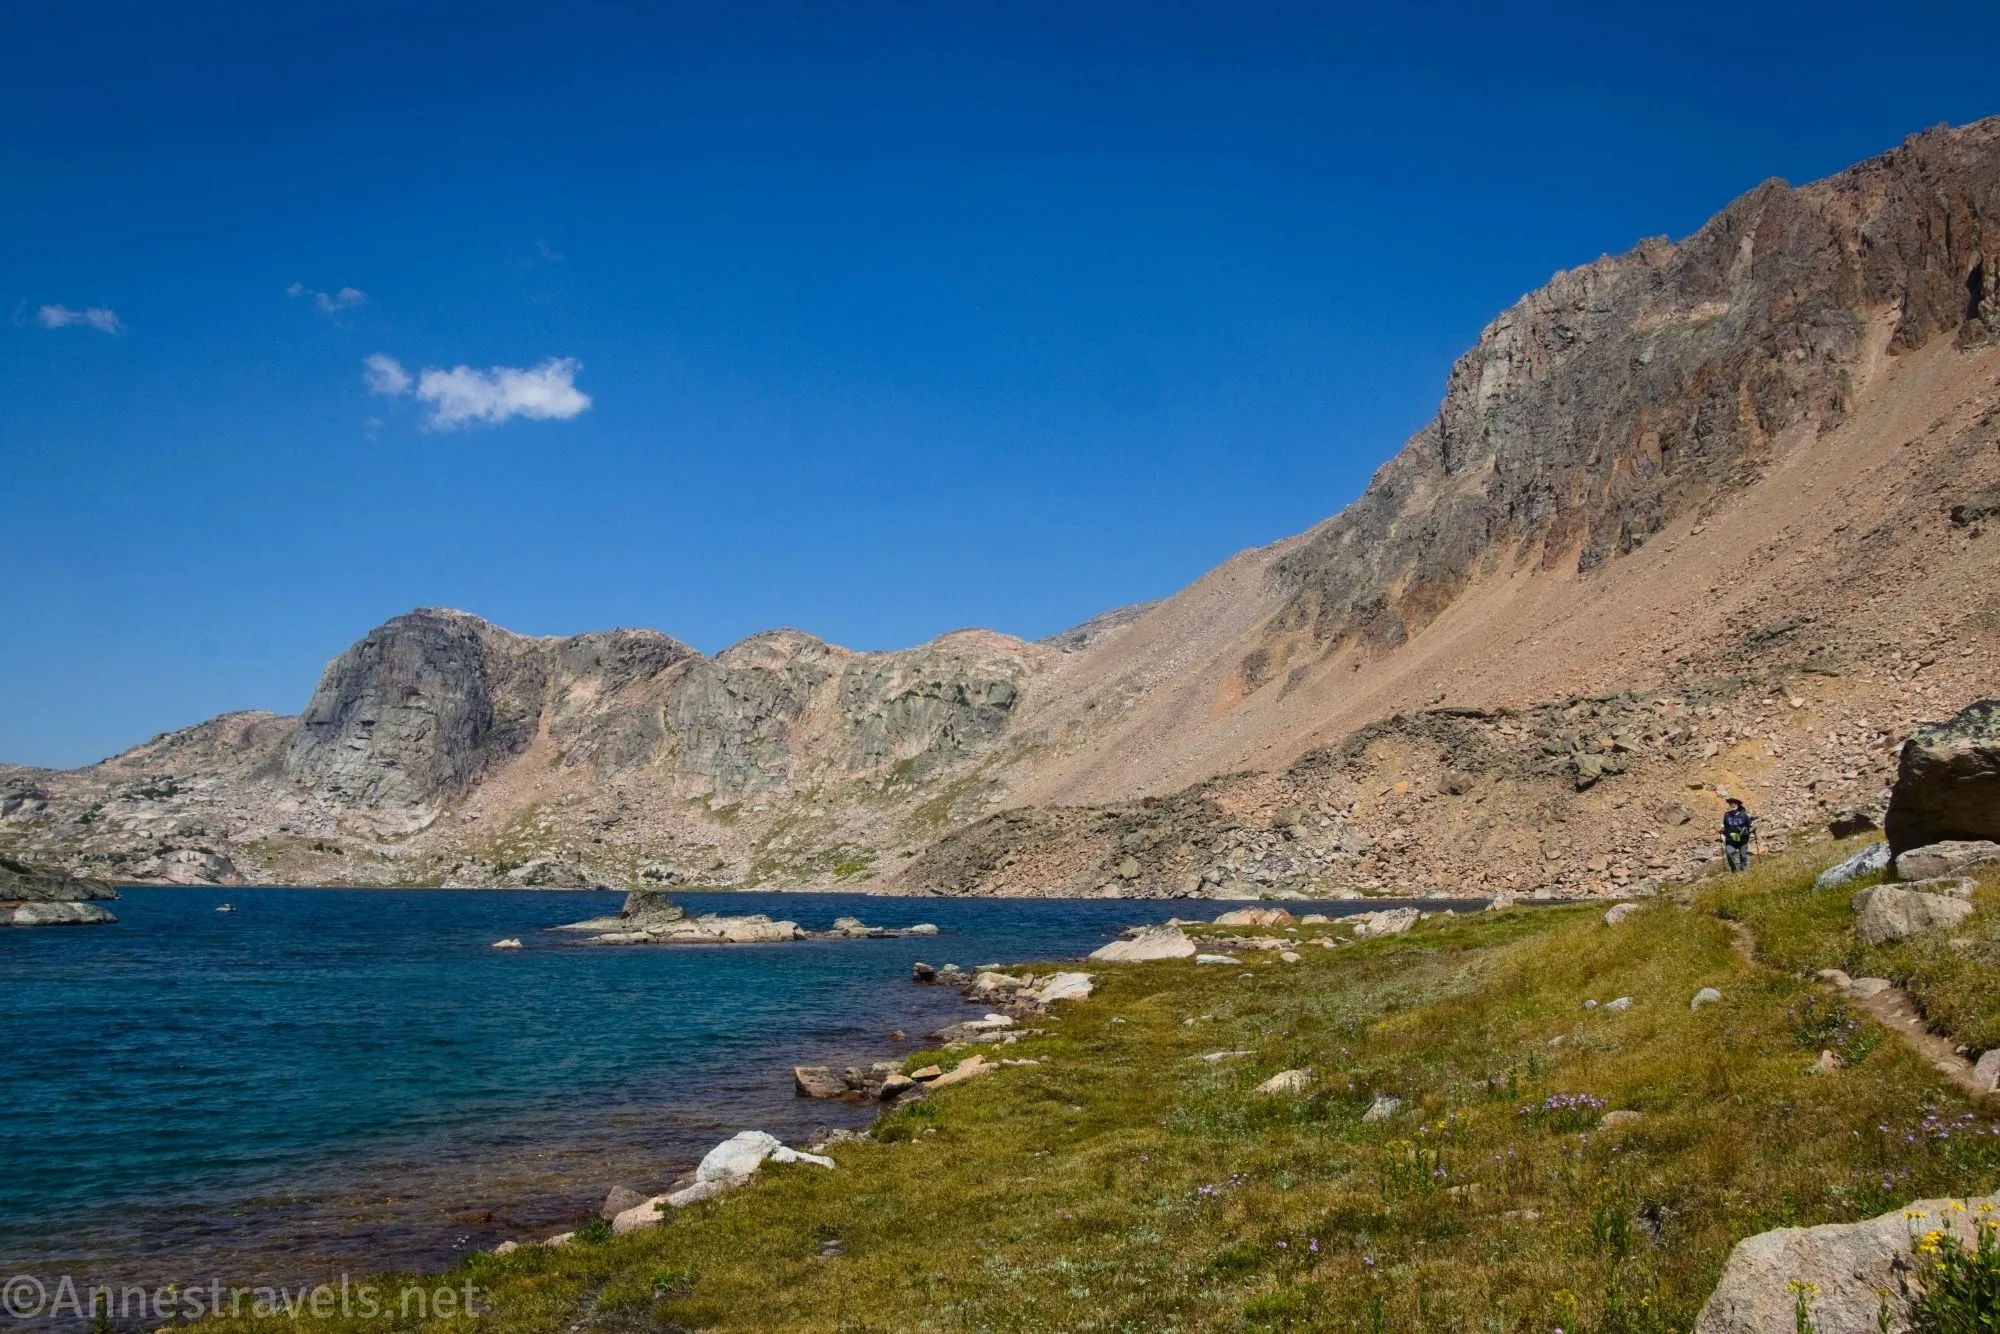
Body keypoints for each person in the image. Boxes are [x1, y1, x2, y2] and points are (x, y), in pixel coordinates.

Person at [1721, 797, 1754, 873]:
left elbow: (1750, 826)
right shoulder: (1726, 815)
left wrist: (1752, 829)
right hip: (1731, 840)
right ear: (1729, 805)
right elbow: (1725, 826)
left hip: (1743, 839)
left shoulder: (1744, 815)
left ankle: (1744, 871)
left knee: (1743, 856)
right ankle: (1735, 870)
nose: (1733, 805)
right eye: (1731, 803)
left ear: (1738, 805)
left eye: (1735, 803)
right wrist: (1722, 831)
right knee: (1729, 853)